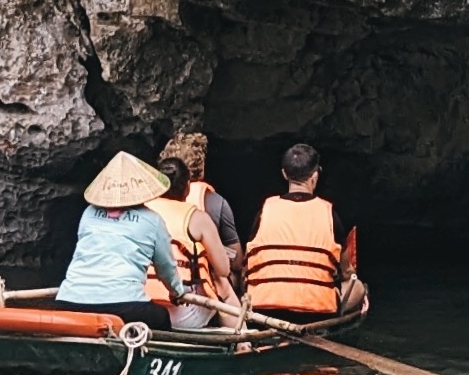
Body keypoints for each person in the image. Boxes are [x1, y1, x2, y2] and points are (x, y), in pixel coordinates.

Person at [57, 150, 183, 327]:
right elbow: (166, 268)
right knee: (160, 316)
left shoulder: (89, 212)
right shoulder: (153, 220)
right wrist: (177, 291)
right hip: (123, 305)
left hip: (69, 300)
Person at [243, 141, 365, 321]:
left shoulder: (265, 209)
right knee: (359, 286)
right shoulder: (329, 212)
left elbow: (247, 263)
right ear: (315, 176)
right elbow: (346, 270)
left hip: (263, 310)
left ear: (284, 174)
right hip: (315, 313)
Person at [149, 157, 238, 326]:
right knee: (220, 281)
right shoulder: (197, 218)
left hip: (141, 304)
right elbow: (224, 268)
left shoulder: (141, 211)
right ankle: (242, 344)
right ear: (187, 187)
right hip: (182, 312)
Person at [161, 128, 243, 294]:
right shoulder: (216, 203)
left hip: (156, 285)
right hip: (194, 289)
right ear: (201, 167)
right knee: (230, 277)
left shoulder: (149, 203)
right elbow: (236, 262)